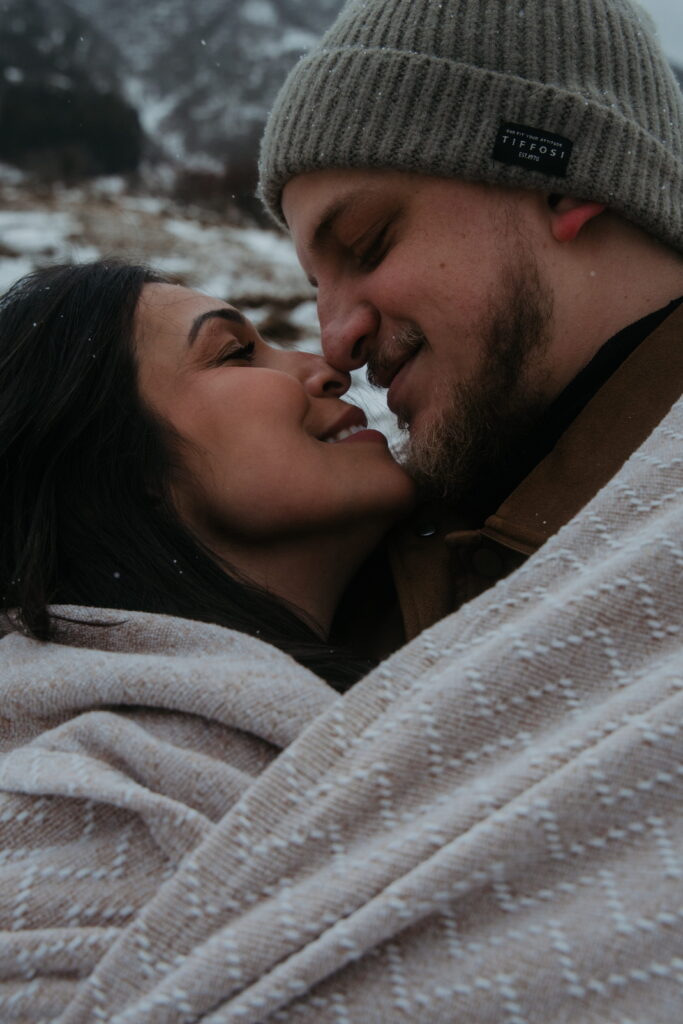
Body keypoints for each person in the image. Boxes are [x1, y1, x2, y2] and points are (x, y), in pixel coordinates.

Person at [259, 0, 683, 616]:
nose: (335, 343)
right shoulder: (373, 560)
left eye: (368, 244)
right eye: (315, 287)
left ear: (563, 185)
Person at [0, 260, 415, 688]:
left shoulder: (412, 662)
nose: (329, 370)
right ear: (115, 468)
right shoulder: (107, 729)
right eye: (238, 354)